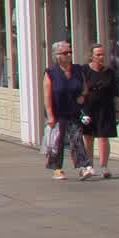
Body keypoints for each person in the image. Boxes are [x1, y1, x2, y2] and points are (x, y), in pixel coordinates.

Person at [43, 41, 92, 180]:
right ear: (57, 55)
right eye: (65, 53)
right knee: (57, 141)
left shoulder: (78, 70)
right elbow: (47, 95)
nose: (69, 55)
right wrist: (50, 115)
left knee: (77, 138)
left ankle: (83, 167)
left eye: (70, 52)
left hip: (73, 111)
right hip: (58, 112)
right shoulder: (51, 72)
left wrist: (82, 96)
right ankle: (57, 169)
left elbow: (84, 88)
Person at [81, 43, 119, 177]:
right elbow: (79, 90)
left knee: (103, 137)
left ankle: (104, 166)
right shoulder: (84, 70)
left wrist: (117, 111)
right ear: (91, 55)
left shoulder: (109, 72)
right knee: (88, 137)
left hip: (106, 107)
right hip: (88, 108)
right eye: (98, 54)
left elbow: (115, 93)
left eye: (103, 54)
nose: (101, 57)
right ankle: (88, 165)